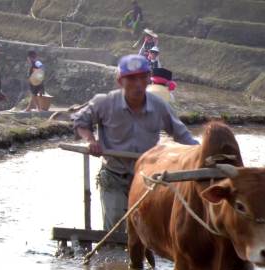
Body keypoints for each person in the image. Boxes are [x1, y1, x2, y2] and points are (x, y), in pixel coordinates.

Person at [72, 54, 198, 231]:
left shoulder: (159, 106)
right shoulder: (105, 102)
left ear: (149, 79)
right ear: (120, 81)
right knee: (116, 226)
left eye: (142, 77)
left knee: (147, 229)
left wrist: (202, 154)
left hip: (145, 178)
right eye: (131, 79)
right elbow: (80, 121)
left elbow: (182, 136)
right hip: (114, 174)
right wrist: (91, 140)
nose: (137, 84)